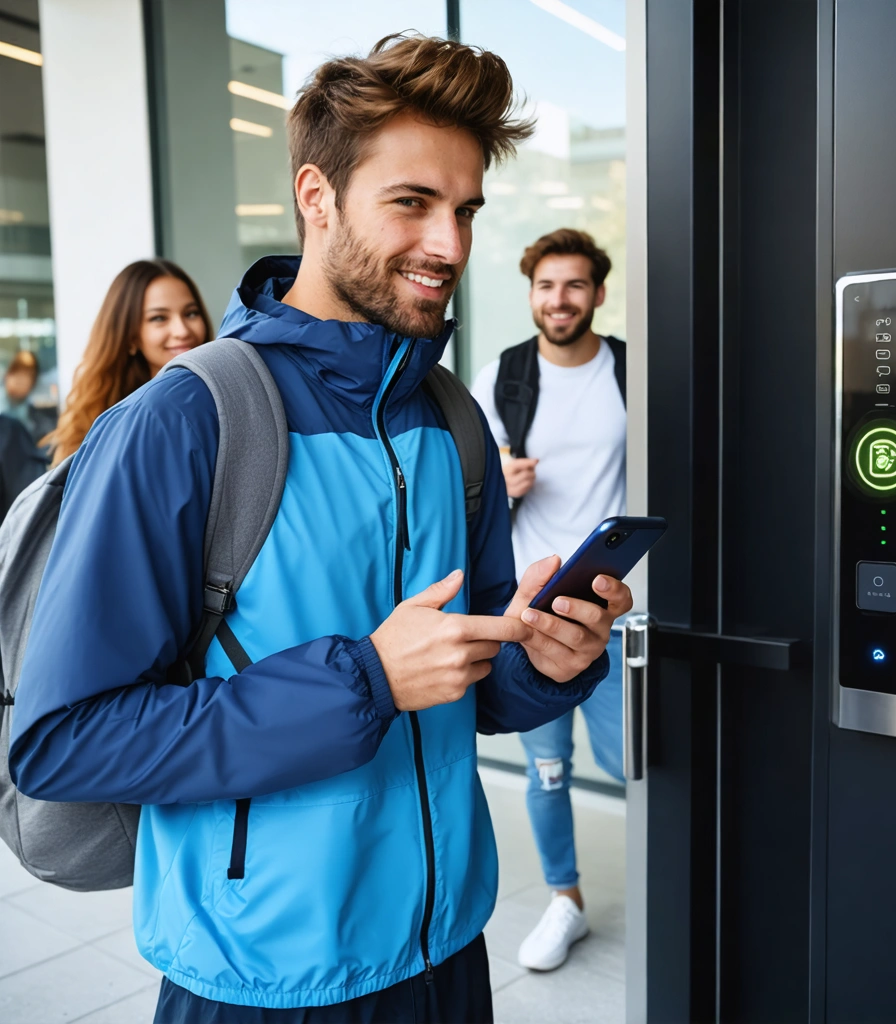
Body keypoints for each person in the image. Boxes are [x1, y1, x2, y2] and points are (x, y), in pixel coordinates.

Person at [8, 34, 633, 1024]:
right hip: (262, 984)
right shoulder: (184, 422)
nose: (452, 245)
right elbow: (62, 743)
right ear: (317, 197)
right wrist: (366, 680)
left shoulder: (452, 421)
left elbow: (472, 688)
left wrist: (542, 658)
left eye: (464, 209)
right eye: (411, 203)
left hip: (445, 955)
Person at [471, 228, 627, 972]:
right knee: (547, 770)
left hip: (618, 616)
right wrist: (495, 489)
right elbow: (464, 494)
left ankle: (674, 894)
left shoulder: (632, 371)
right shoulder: (501, 376)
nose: (558, 300)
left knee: (637, 758)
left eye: (573, 286)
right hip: (533, 614)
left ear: (597, 292)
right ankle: (565, 901)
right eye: (545, 286)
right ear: (531, 293)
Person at [42, 259, 211, 464]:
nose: (182, 331)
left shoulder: (222, 399)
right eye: (159, 318)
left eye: (191, 313)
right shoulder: (108, 422)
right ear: (130, 336)